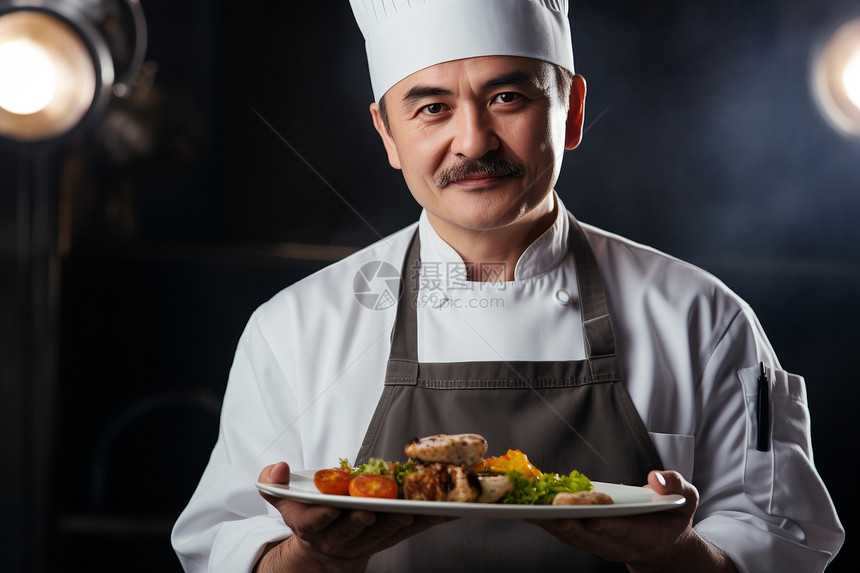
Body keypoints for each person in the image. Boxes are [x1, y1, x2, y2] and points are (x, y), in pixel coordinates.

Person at [171, 1, 844, 571]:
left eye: (507, 97)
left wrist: (673, 555)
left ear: (573, 110)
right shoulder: (293, 327)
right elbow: (220, 543)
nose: (473, 140)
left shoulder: (703, 317)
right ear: (388, 134)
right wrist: (314, 557)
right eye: (432, 107)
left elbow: (784, 536)